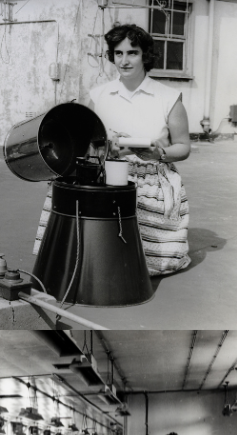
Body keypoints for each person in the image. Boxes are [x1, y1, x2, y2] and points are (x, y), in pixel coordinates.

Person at [36, 23, 191, 275]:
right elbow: (84, 141)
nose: (124, 60)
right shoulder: (99, 95)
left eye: (132, 53)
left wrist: (160, 154)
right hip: (105, 174)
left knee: (143, 265)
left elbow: (183, 147)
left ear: (146, 56)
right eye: (118, 53)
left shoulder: (168, 97)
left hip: (149, 180)